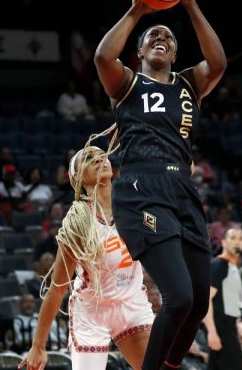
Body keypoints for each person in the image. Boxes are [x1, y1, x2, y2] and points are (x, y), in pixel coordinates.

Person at [93, 0, 226, 370]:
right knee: (179, 297)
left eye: (167, 37)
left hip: (182, 188)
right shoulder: (127, 83)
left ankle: (168, 365)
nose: (161, 38)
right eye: (153, 36)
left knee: (198, 301)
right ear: (139, 51)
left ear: (175, 52)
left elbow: (217, 63)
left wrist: (191, 5)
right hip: (140, 187)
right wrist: (138, 10)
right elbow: (102, 55)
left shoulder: (189, 84)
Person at [19, 144, 153, 370]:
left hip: (131, 303)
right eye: (89, 158)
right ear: (77, 177)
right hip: (92, 312)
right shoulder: (78, 222)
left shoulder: (134, 205)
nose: (100, 158)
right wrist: (38, 346)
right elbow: (58, 287)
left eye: (102, 154)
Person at [203, 228, 242, 370]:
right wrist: (212, 332)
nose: (237, 242)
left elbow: (231, 303)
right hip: (220, 328)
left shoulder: (234, 269)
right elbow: (205, 300)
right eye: (233, 238)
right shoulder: (219, 265)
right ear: (223, 242)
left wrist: (239, 331)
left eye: (241, 239)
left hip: (229, 327)